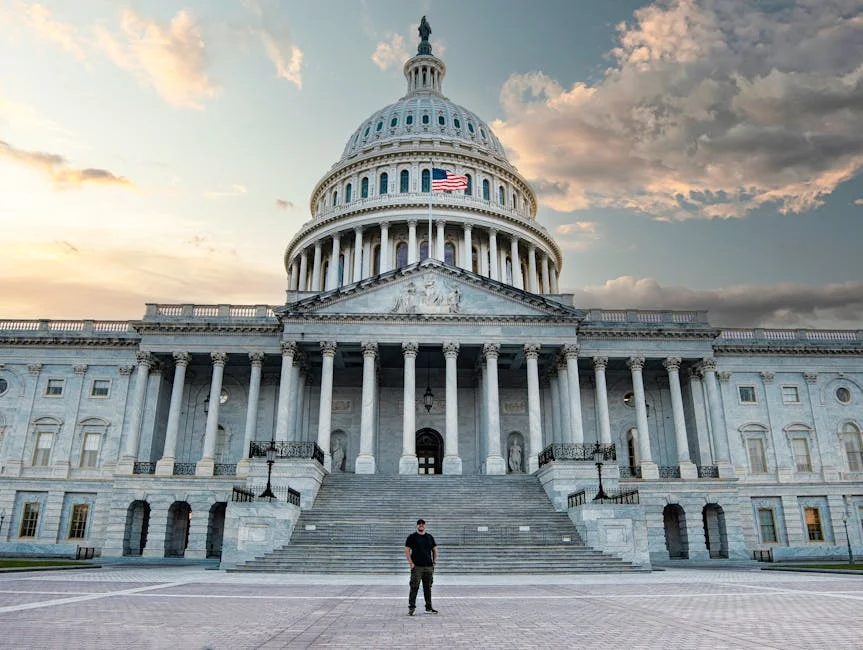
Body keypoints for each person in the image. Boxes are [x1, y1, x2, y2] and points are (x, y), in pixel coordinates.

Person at [404, 518, 438, 615]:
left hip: (428, 567)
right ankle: (411, 608)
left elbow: (435, 549)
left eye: (423, 524)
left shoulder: (429, 537)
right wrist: (410, 563)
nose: (421, 525)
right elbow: (407, 550)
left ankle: (428, 608)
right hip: (417, 567)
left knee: (428, 587)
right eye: (419, 524)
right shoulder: (412, 537)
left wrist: (434, 562)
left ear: (425, 526)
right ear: (417, 526)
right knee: (414, 587)